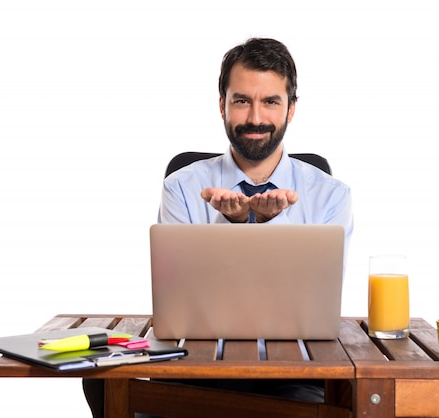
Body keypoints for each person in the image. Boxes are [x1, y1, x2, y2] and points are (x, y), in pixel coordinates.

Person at [83, 37, 353, 418]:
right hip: (193, 373)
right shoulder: (181, 185)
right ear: (222, 105)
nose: (255, 118)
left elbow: (317, 306)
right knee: (100, 380)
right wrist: (232, 223)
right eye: (241, 101)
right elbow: (180, 299)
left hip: (295, 377)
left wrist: (268, 225)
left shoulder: (330, 194)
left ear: (291, 109)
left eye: (271, 101)